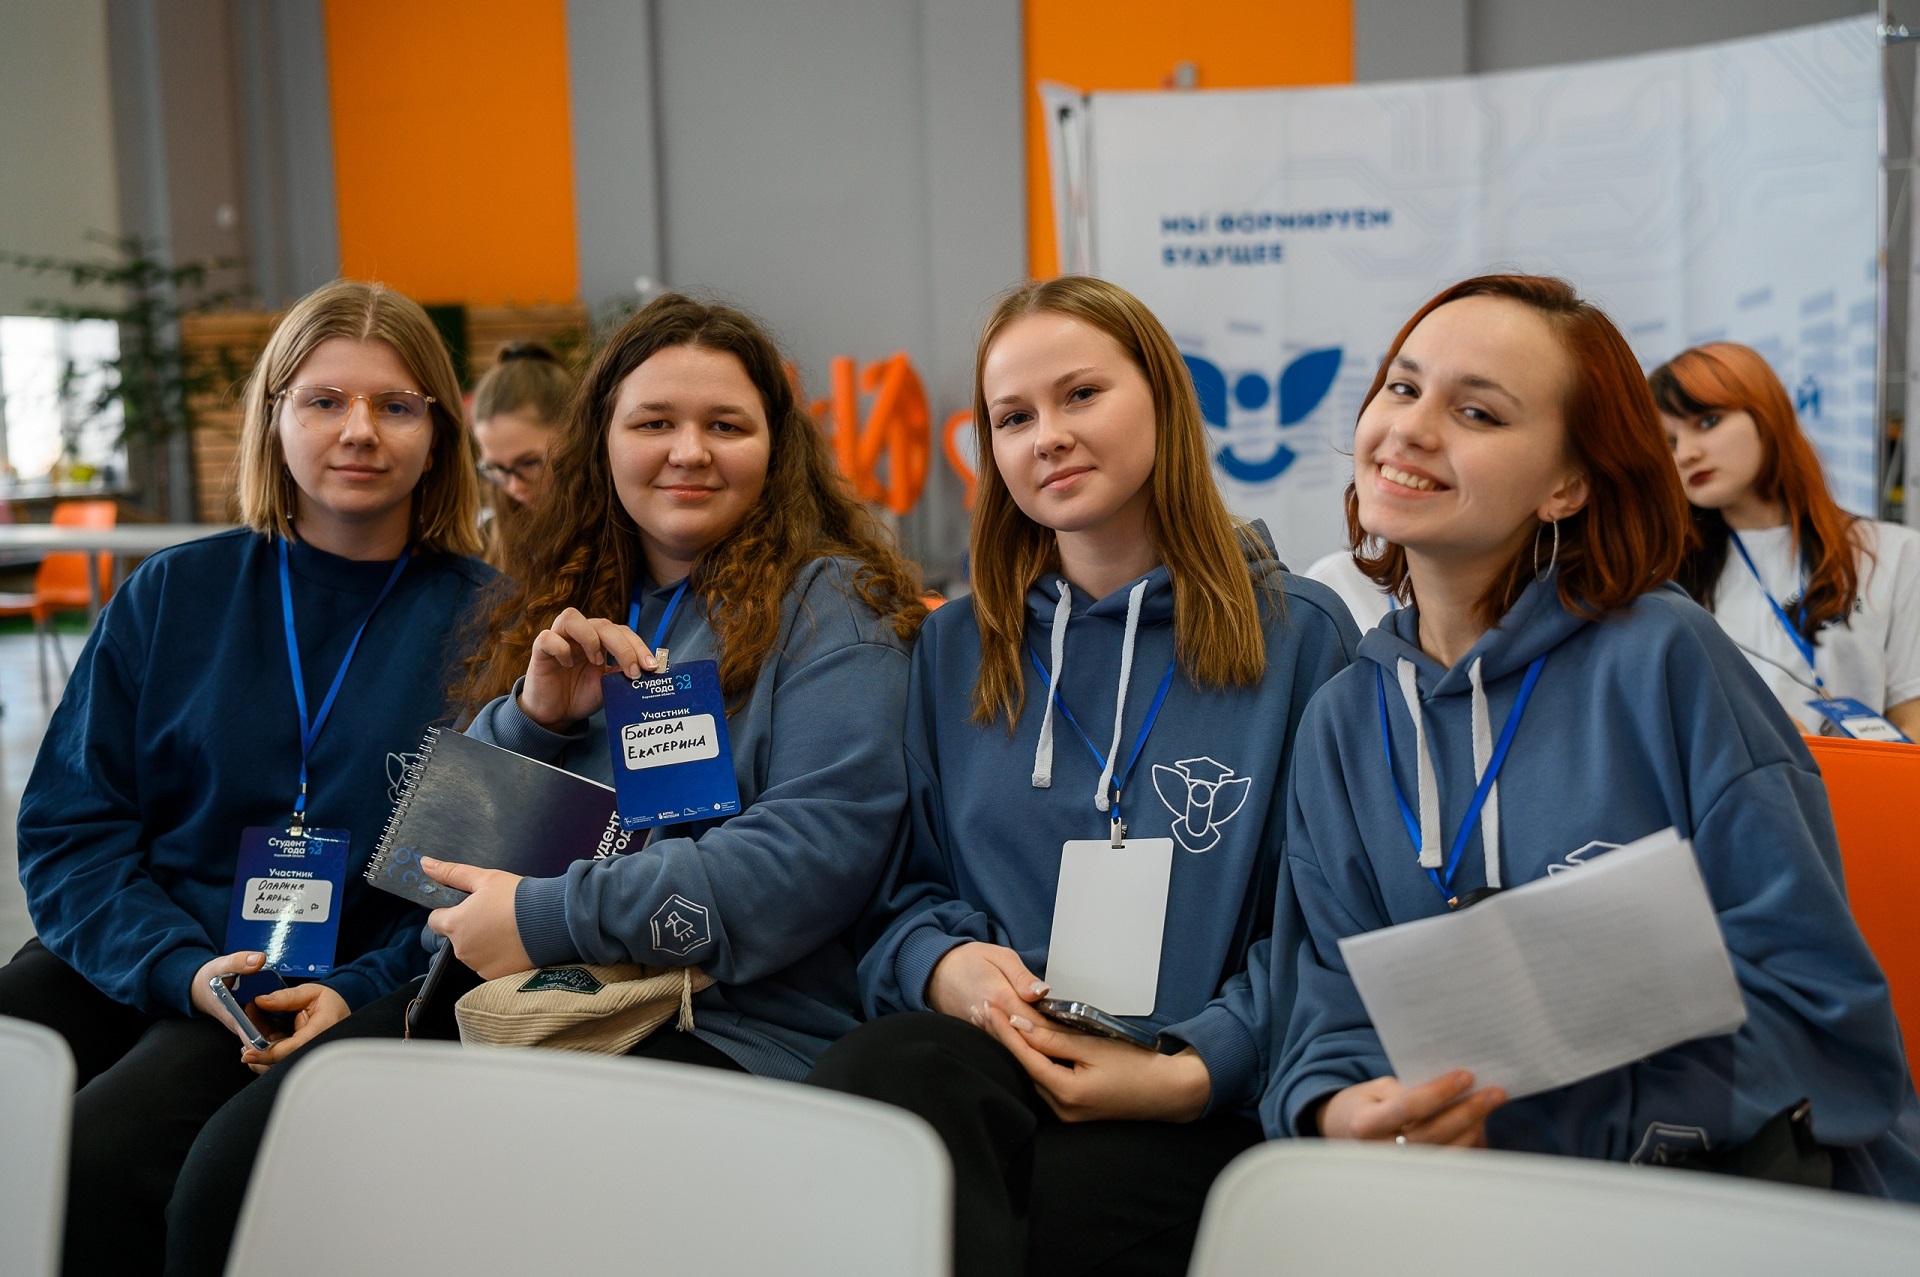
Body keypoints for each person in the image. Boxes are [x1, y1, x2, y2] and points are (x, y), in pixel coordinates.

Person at [164, 292, 928, 1275]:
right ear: (602, 442)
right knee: (239, 1170)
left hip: (717, 1023)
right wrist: (534, 718)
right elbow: (436, 869)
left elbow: (812, 859)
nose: (688, 451)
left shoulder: (832, 607)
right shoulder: (577, 596)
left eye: (726, 425)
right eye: (654, 422)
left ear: (776, 448)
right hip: (520, 999)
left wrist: (546, 914)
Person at [1264, 275, 1920, 1200]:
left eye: (1478, 412)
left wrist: (1523, 1124)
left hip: (1717, 1199)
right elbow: (1325, 1018)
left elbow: (1821, 1013)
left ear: (1567, 485)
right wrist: (1340, 1111)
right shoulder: (1341, 719)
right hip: (1456, 1203)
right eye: (1402, 387)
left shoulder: (1662, 656)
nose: (1409, 427)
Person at [810, 276, 1359, 1277]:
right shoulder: (955, 645)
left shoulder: (1300, 634)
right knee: (873, 1077)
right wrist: (943, 965)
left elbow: (1323, 925)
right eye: (1013, 417)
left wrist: (1198, 1067)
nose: (1047, 437)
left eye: (1080, 395)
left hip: (1193, 1084)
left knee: (1075, 1204)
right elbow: (898, 896)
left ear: (1162, 399)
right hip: (1004, 1056)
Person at [0, 279, 489, 1276]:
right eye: (324, 400)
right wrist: (179, 965)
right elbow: (72, 831)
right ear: (274, 417)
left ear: (439, 433)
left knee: (100, 1157)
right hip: (150, 945)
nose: (360, 430)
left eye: (396, 405)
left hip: (317, 983)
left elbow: (468, 884)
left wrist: (354, 989)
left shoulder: (492, 625)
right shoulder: (171, 593)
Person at [1650, 342, 1920, 741]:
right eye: (1670, 443)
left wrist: (1833, 760)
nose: (1686, 454)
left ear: (1768, 413)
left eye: (1708, 421)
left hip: (1858, 779)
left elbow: (1912, 720)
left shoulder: (1893, 553)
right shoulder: (1665, 576)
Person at [472, 341, 572, 571]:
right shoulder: (483, 541)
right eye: (497, 468)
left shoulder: (620, 532)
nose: (515, 487)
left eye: (529, 462)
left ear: (575, 439)